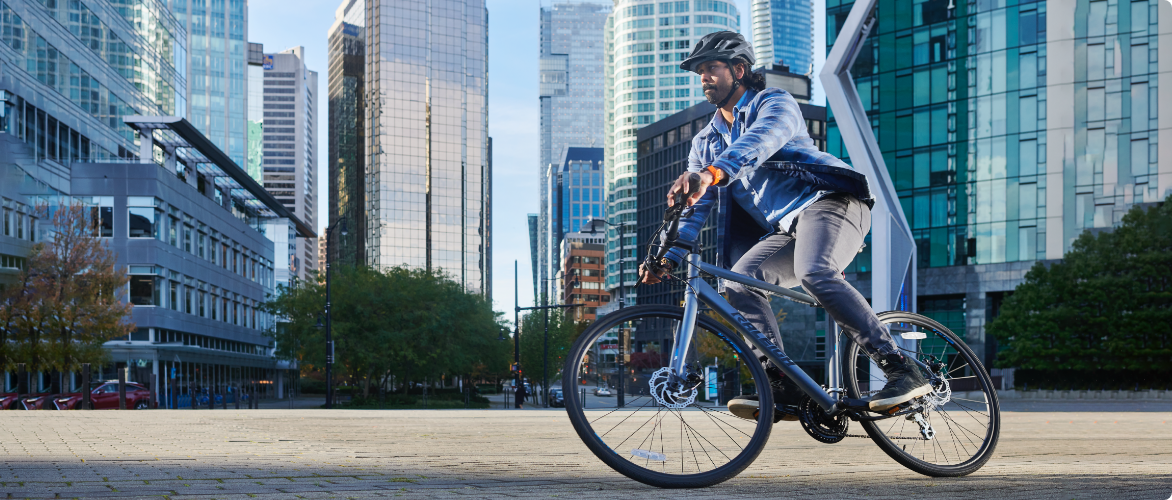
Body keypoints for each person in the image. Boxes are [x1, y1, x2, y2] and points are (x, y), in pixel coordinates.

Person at [638, 31, 932, 421]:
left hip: (831, 202)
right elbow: (695, 209)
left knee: (815, 270)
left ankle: (900, 366)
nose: (704, 77)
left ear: (739, 70)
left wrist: (711, 173)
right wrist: (668, 256)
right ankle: (784, 382)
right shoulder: (705, 142)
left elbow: (763, 139)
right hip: (789, 228)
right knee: (737, 282)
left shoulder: (773, 103)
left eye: (711, 68)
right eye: (699, 72)